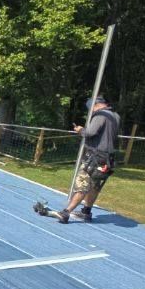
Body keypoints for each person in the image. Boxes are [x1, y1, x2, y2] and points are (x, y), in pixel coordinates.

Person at [57, 95, 121, 223]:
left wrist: (80, 130)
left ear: (95, 105)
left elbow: (90, 132)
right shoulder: (116, 116)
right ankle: (86, 212)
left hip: (94, 156)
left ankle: (66, 212)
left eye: (91, 109)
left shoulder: (100, 115)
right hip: (108, 157)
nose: (91, 111)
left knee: (83, 183)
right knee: (95, 186)